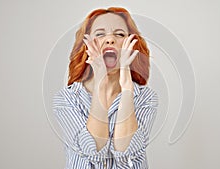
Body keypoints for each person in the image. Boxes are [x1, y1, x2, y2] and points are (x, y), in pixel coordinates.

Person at [53, 7, 158, 169]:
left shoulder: (146, 98)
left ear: (132, 45)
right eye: (100, 34)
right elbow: (93, 151)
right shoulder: (66, 99)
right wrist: (101, 81)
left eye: (120, 34)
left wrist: (127, 88)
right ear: (86, 46)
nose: (110, 40)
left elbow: (127, 154)